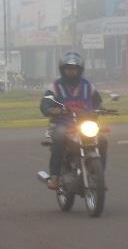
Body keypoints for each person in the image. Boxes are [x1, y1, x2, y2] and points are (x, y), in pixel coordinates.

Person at [39, 51, 107, 190]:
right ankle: (55, 177)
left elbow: (97, 102)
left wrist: (100, 109)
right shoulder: (55, 87)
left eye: (74, 68)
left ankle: (99, 176)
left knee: (102, 140)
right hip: (63, 123)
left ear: (79, 70)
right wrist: (53, 110)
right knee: (59, 138)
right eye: (68, 68)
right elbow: (45, 104)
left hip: (84, 123)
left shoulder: (88, 86)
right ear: (63, 69)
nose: (71, 71)